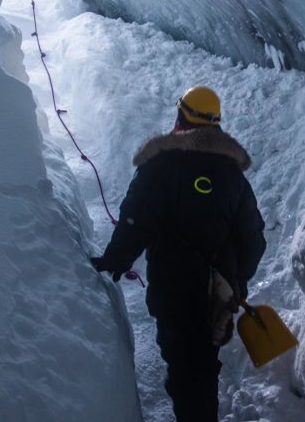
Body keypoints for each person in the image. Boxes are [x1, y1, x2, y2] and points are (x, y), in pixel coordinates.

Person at [90, 85, 266, 422]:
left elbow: (136, 220)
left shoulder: (161, 167)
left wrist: (115, 259)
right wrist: (234, 282)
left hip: (174, 292)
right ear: (216, 124)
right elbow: (254, 240)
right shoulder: (233, 176)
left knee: (185, 374)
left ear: (181, 117)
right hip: (215, 294)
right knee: (203, 368)